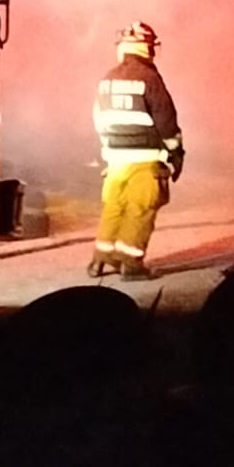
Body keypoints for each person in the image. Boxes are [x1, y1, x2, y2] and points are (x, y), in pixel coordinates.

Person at [88, 21, 184, 280]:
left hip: (115, 158)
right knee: (140, 209)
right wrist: (176, 152)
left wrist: (107, 149)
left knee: (114, 207)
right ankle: (131, 264)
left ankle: (101, 258)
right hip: (145, 158)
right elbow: (166, 120)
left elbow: (98, 117)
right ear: (146, 47)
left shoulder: (108, 78)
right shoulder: (149, 78)